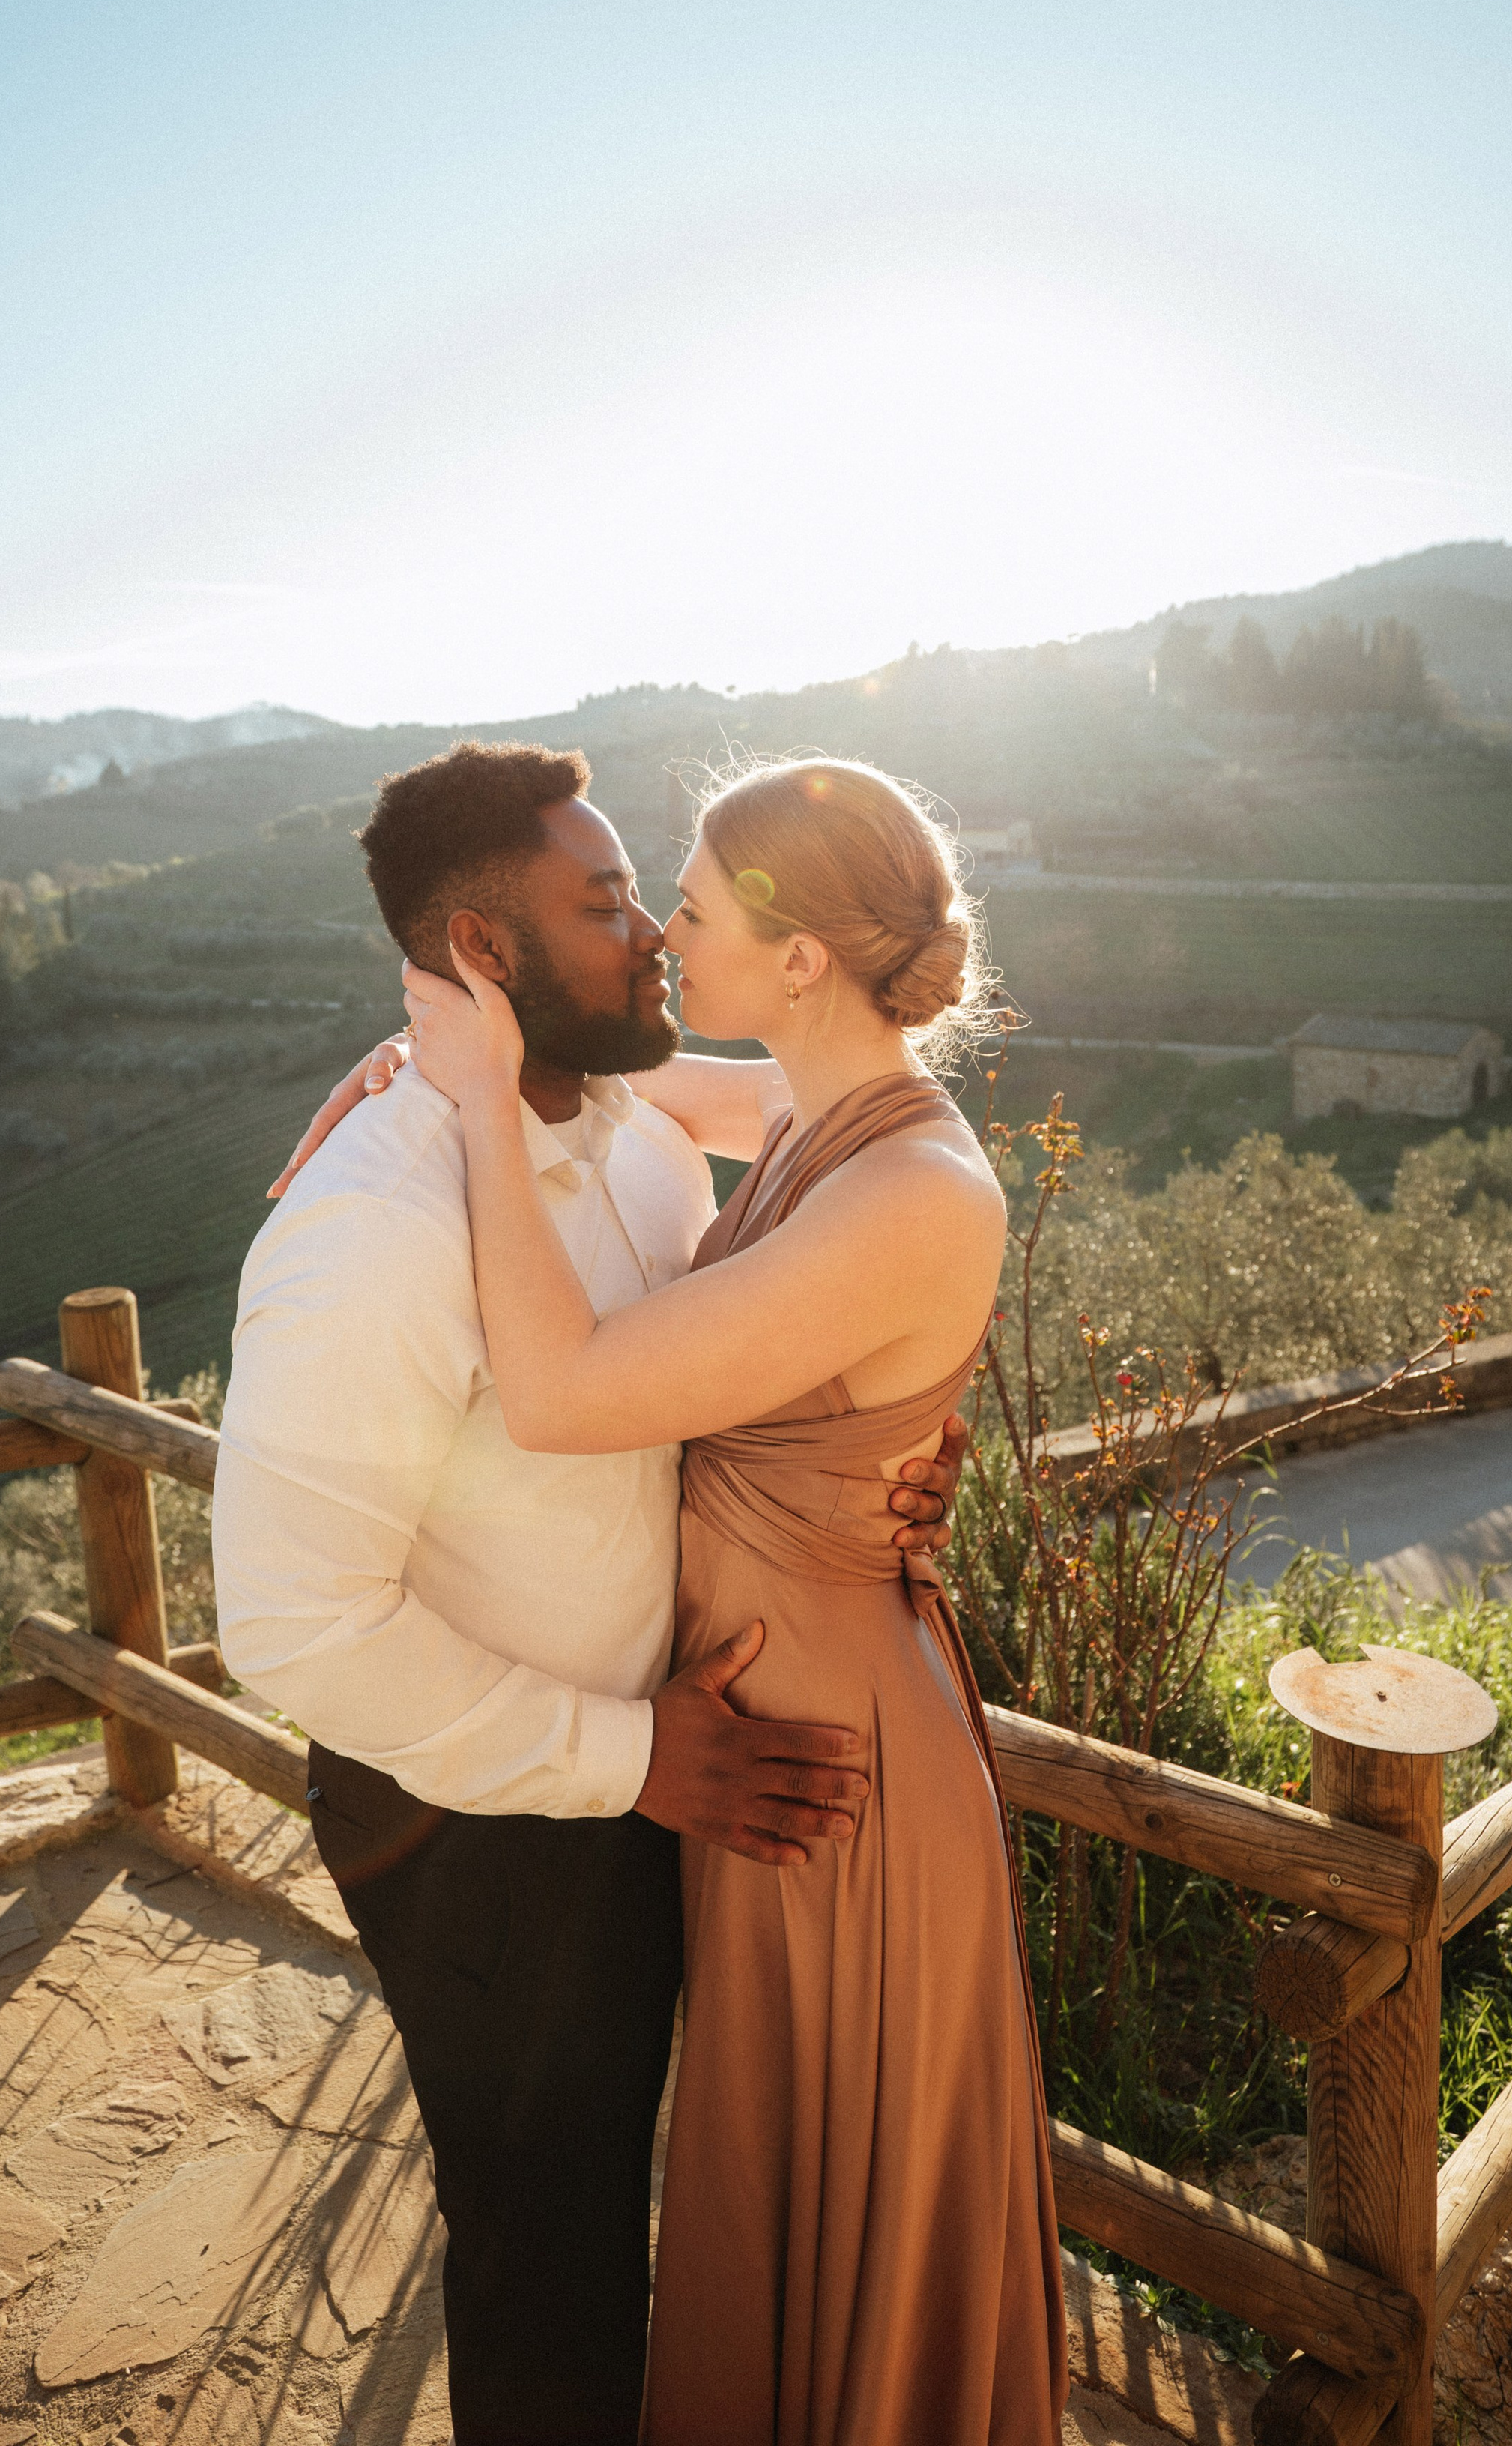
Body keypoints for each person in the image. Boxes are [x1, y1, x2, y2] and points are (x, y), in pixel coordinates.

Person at [213, 740, 969, 2446]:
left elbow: (870, 1157)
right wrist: (632, 1762)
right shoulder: (371, 1232)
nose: (647, 933)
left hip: (668, 1768)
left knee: (689, 2196)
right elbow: (291, 1624)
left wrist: (899, 1429)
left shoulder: (633, 1132)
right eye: (607, 899)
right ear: (483, 956)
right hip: (482, 1827)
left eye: (648, 896)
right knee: (548, 2259)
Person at [388, 752, 1067, 2446]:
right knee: (774, 2182)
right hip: (772, 1742)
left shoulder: (914, 1189)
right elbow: (627, 1083)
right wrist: (419, 1063)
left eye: (684, 909)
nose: (661, 937)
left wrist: (472, 1114)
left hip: (838, 1778)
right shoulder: (800, 1113)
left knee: (828, 2192)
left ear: (800, 957)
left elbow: (560, 1392)